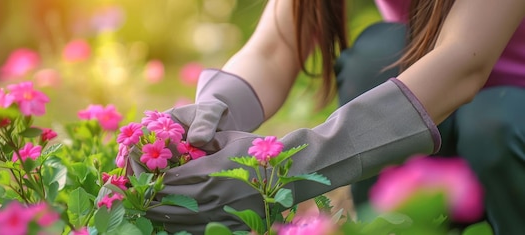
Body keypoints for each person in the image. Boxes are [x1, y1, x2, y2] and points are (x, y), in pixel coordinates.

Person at [129, 0, 525, 234]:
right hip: (438, 101)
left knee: (494, 122)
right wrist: (211, 113)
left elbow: (463, 64)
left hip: (507, 106)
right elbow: (278, 44)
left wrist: (289, 168)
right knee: (378, 56)